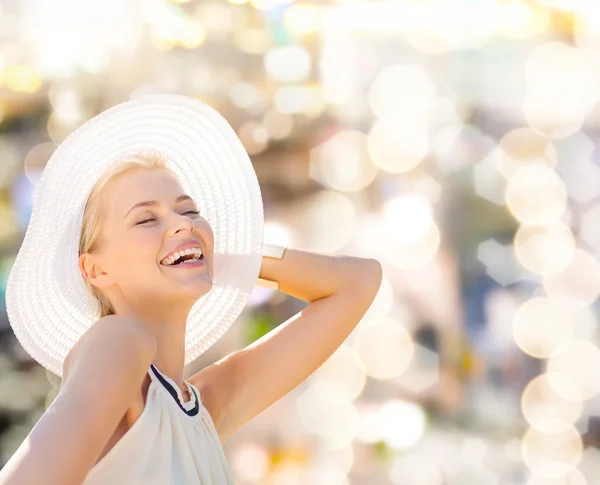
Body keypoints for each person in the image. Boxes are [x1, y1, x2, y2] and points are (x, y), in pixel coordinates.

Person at [0, 94, 382, 484]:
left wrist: (219, 253)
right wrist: (190, 246)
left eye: (188, 211)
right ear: (95, 269)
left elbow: (358, 283)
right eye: (146, 219)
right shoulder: (118, 341)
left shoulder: (202, 409)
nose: (182, 223)